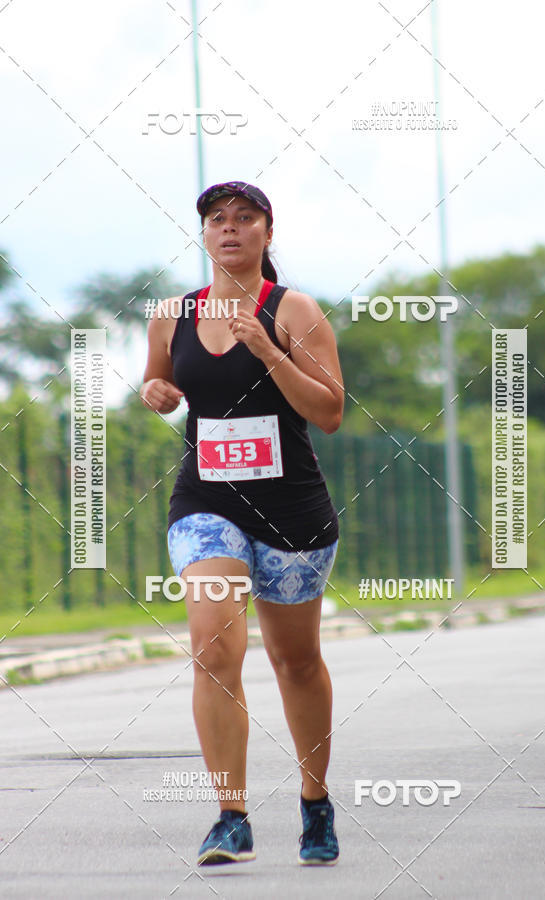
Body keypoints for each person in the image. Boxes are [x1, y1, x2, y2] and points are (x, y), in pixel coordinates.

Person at [140, 181, 344, 867]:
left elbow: (329, 412)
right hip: (207, 504)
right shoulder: (171, 313)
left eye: (244, 218)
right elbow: (158, 385)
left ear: (267, 231)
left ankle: (315, 803)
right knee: (214, 649)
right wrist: (155, 392)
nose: (229, 229)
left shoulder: (295, 310)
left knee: (295, 661)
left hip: (292, 511)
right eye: (216, 220)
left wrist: (269, 352)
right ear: (204, 234)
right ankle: (231, 815)